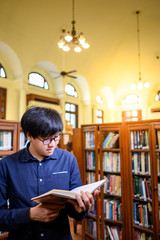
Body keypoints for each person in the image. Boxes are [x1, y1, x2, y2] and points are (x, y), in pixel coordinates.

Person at [0, 107, 98, 240]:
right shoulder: (6, 165)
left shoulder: (68, 159)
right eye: (46, 139)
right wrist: (29, 214)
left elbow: (74, 210)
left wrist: (81, 209)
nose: (53, 144)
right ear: (29, 135)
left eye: (57, 137)